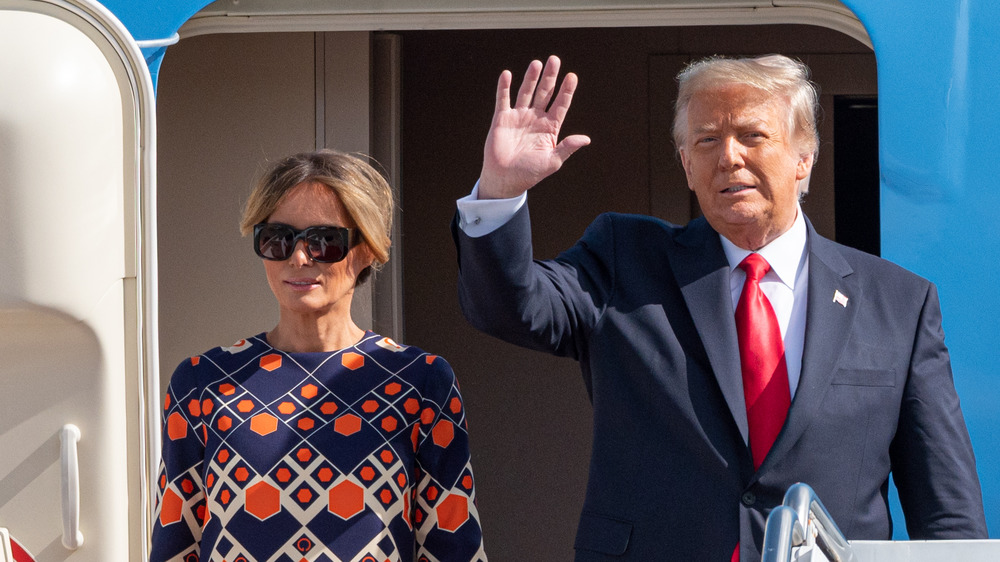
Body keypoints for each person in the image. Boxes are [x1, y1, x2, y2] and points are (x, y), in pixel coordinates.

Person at [452, 55, 986, 560]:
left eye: (753, 135)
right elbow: (511, 307)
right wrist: (500, 190)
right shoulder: (626, 260)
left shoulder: (898, 302)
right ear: (686, 165)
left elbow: (947, 511)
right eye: (707, 140)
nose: (729, 155)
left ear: (805, 158)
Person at [151, 150, 487, 561]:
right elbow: (173, 547)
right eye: (278, 239)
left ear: (367, 249)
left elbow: (453, 548)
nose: (298, 257)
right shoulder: (202, 382)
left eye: (325, 241)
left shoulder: (420, 381)